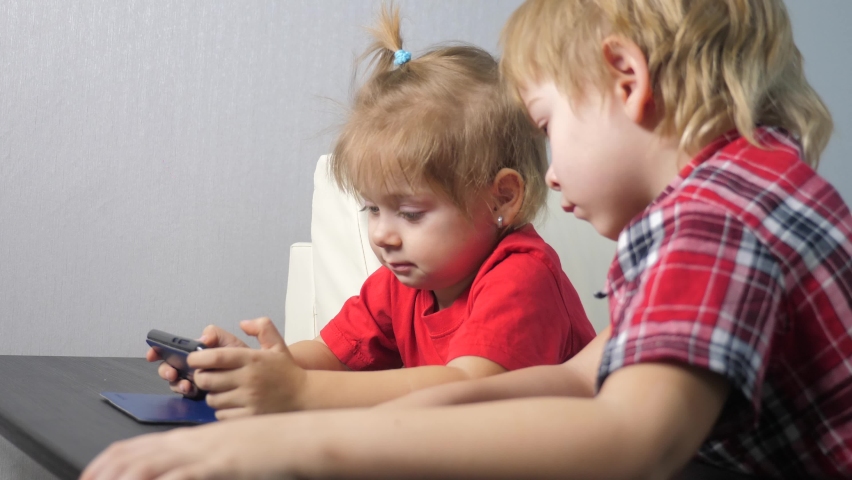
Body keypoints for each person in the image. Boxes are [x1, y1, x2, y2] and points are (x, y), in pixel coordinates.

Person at [82, 0, 852, 478]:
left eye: (547, 125)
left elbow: (629, 439)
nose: (549, 173)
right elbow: (584, 377)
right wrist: (361, 415)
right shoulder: (744, 191)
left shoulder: (714, 219)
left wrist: (294, 448)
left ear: (627, 78)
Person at [146, 4, 595, 419]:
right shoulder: (404, 284)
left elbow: (467, 386)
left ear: (501, 198)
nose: (383, 234)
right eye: (372, 209)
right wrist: (249, 370)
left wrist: (297, 390)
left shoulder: (522, 277)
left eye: (411, 213)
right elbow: (331, 357)